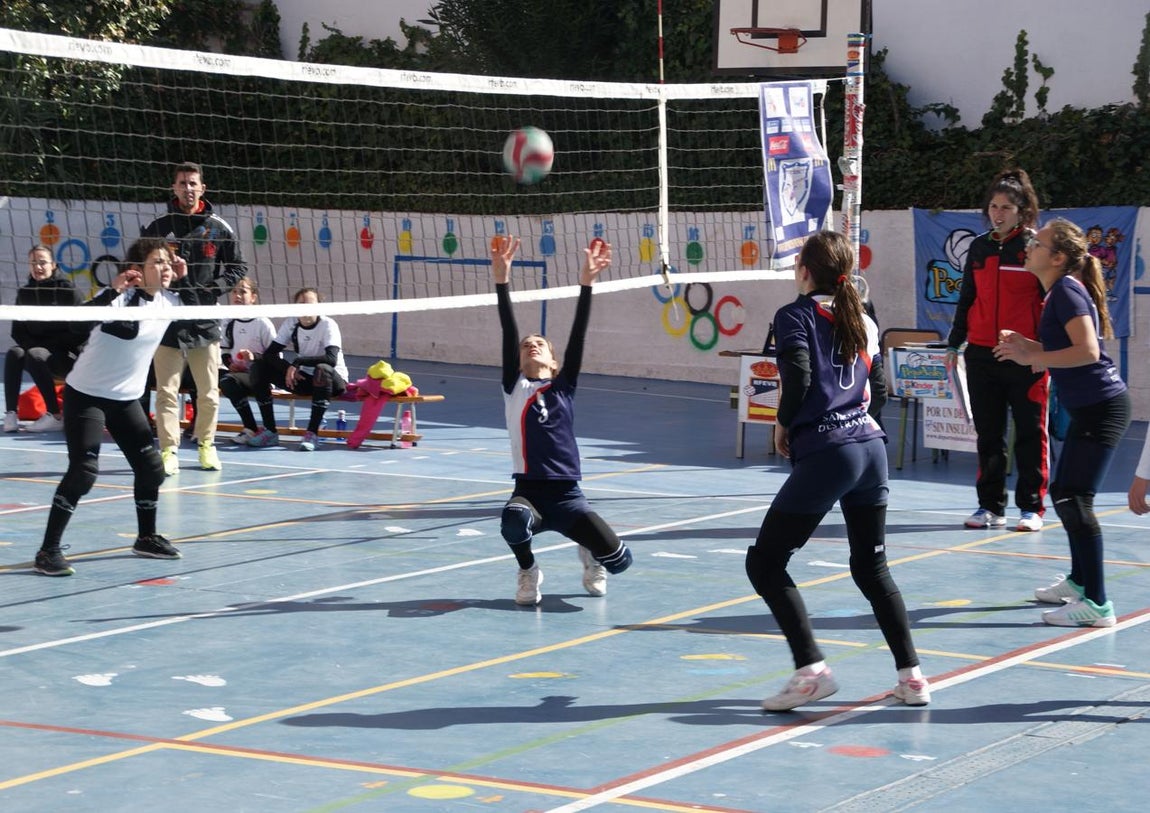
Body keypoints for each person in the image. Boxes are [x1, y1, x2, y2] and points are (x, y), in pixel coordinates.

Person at [745, 231, 929, 711]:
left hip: (831, 450)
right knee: (871, 567)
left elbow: (801, 378)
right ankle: (912, 678)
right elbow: (880, 391)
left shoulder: (794, 315)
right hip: (870, 447)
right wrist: (860, 430)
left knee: (764, 563)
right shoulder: (863, 317)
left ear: (805, 271)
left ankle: (811, 671)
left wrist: (783, 425)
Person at [995, 218, 1130, 628]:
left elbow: (1087, 352)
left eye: (1038, 243)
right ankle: (1079, 581)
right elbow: (1068, 348)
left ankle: (1098, 603)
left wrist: (1033, 357)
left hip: (1101, 408)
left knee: (1074, 496)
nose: (1030, 245)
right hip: (1091, 407)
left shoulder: (1066, 292)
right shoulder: (1059, 293)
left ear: (1057, 258)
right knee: (1066, 492)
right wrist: (1028, 347)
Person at [34, 238, 194, 577]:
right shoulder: (119, 300)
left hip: (126, 399)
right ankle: (48, 551)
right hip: (87, 395)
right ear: (138, 268)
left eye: (168, 263)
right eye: (157, 263)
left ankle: (146, 537)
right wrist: (112, 291)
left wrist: (186, 277)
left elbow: (204, 311)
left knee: (152, 469)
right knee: (84, 472)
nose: (165, 268)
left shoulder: (172, 301)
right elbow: (77, 325)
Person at [491, 236, 633, 606]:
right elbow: (509, 330)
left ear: (554, 362)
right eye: (526, 345)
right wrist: (502, 281)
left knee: (621, 563)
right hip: (530, 492)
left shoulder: (563, 386)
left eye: (539, 343)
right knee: (512, 522)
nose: (530, 344)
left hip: (569, 496)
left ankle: (590, 552)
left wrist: (587, 284)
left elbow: (578, 334)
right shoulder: (515, 386)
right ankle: (528, 571)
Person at [944, 168, 1048, 532]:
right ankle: (989, 506)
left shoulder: (1035, 248)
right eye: (993, 206)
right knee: (989, 434)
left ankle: (1031, 508)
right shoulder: (979, 247)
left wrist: (1041, 352)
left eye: (1006, 207)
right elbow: (967, 299)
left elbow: (1049, 303)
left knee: (1030, 432)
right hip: (982, 355)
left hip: (1023, 356)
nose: (998, 213)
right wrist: (954, 343)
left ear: (1022, 210)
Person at [142, 161, 247, 476]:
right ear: (173, 188)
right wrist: (162, 276)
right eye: (182, 183)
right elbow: (139, 263)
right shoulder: (159, 227)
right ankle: (168, 449)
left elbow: (238, 267)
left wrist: (215, 288)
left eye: (193, 183)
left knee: (209, 391)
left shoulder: (218, 227)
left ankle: (206, 445)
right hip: (168, 318)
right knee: (166, 391)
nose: (188, 188)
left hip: (204, 318)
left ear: (202, 188)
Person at [248, 287, 348, 451]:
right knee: (259, 367)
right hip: (303, 379)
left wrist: (298, 362)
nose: (305, 307)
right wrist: (288, 368)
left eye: (310, 303)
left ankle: (312, 433)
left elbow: (331, 359)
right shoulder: (291, 323)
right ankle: (270, 431)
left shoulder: (328, 325)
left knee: (322, 369)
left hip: (332, 382)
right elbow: (270, 354)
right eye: (301, 303)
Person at [4, 245, 84, 433]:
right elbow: (18, 331)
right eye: (33, 263)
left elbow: (81, 332)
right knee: (15, 352)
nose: (38, 267)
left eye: (42, 262)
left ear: (53, 265)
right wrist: (33, 345)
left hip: (66, 358)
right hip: (36, 355)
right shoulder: (24, 293)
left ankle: (55, 415)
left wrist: (47, 345)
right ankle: (11, 413)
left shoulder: (67, 291)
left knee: (35, 353)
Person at [217, 278, 276, 445]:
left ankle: (270, 430)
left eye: (243, 291)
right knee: (223, 379)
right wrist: (231, 365)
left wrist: (254, 358)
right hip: (240, 375)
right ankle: (250, 428)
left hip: (262, 375)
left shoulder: (263, 323)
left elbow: (275, 357)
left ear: (253, 297)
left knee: (257, 372)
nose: (237, 295)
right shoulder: (228, 321)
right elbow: (225, 352)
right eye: (234, 291)